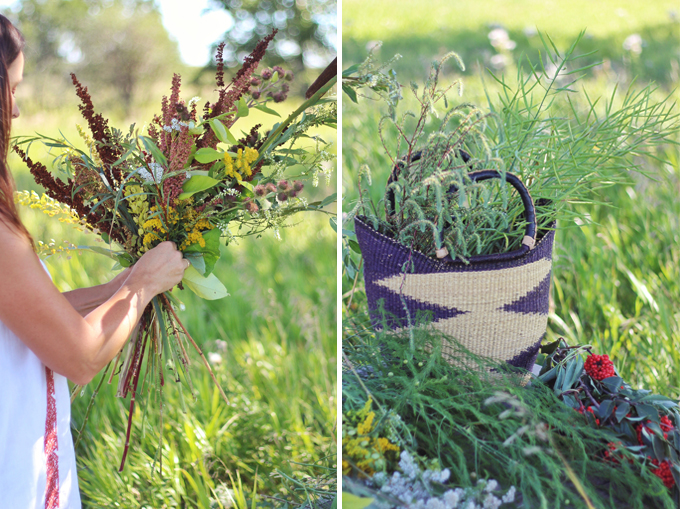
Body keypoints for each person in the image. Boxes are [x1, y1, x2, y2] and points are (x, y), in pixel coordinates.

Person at [0, 15, 189, 508]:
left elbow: (24, 316)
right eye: (10, 90)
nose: (15, 111)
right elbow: (80, 356)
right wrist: (142, 286)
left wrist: (121, 284)